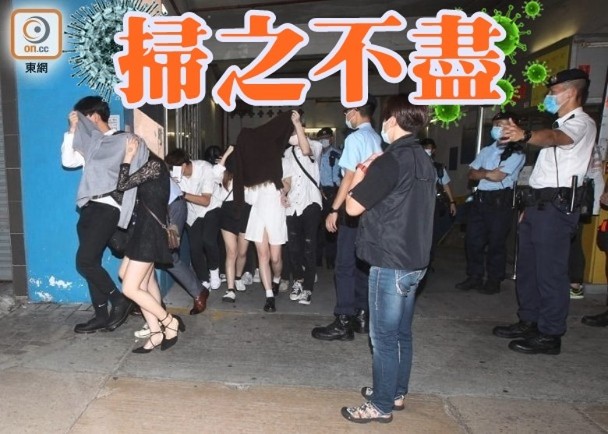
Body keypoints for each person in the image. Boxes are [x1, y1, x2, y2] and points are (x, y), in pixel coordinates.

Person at [341, 94, 435, 423]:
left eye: (385, 118)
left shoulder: (389, 161)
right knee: (401, 333)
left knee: (382, 336)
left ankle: (380, 405)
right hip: (416, 259)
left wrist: (361, 173)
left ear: (392, 120)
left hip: (390, 259)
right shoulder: (423, 158)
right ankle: (395, 392)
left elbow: (352, 207)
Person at [493, 68, 596, 355]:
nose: (549, 96)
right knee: (527, 269)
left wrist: (525, 134)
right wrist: (528, 208)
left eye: (553, 92)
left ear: (571, 92)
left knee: (550, 272)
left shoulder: (581, 123)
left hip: (556, 208)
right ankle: (529, 320)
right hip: (537, 206)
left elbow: (555, 138)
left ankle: (550, 334)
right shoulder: (558, 123)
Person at [61, 96, 138, 334]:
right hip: (88, 208)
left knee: (84, 261)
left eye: (82, 118)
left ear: (94, 116)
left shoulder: (122, 140)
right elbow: (68, 161)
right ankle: (101, 315)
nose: (80, 122)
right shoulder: (91, 143)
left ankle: (119, 299)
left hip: (108, 208)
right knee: (91, 263)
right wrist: (72, 130)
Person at [312, 96, 381, 341]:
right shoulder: (376, 138)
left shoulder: (355, 138)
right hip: (370, 208)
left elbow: (349, 177)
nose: (345, 116)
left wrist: (334, 209)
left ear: (355, 110)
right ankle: (361, 315)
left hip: (352, 207)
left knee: (343, 265)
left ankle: (343, 320)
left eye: (346, 111)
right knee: (362, 263)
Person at [117, 137, 184, 353]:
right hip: (141, 231)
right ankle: (155, 332)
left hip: (150, 232)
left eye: (130, 147)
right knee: (130, 278)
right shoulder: (147, 168)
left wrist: (128, 156)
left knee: (130, 287)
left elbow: (122, 184)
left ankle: (169, 321)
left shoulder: (154, 166)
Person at [455, 111, 526, 294]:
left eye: (501, 125)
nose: (497, 129)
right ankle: (474, 276)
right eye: (495, 125)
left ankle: (494, 280)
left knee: (496, 243)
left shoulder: (516, 152)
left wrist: (483, 173)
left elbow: (498, 176)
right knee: (473, 241)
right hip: (480, 199)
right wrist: (488, 173)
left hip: (500, 201)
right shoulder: (487, 150)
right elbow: (471, 174)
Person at [232, 110, 295, 312]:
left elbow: (288, 184)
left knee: (276, 257)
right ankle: (269, 296)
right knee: (263, 254)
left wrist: (281, 189)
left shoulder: (283, 161)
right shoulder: (254, 166)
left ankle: (276, 279)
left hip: (275, 208)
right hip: (258, 210)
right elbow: (247, 194)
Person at [165, 149, 222, 291]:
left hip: (211, 208)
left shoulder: (204, 168)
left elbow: (206, 201)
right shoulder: (174, 176)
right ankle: (203, 279)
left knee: (208, 239)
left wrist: (182, 194)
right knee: (195, 246)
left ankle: (214, 271)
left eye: (174, 168)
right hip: (192, 213)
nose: (172, 171)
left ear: (184, 165)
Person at [283, 112, 323, 305]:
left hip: (311, 202)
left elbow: (306, 150)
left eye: (294, 131)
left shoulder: (315, 145)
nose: (291, 135)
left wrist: (297, 123)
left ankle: (308, 288)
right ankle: (298, 280)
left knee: (309, 246)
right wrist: (282, 193)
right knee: (293, 247)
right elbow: (287, 180)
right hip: (293, 205)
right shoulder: (287, 153)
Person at [212, 146, 253, 303]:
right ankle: (230, 290)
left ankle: (238, 277)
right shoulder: (224, 175)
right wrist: (227, 153)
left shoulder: (249, 175)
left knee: (242, 252)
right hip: (228, 213)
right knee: (231, 252)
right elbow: (215, 172)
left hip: (245, 212)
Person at [420, 138, 457, 258]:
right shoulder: (415, 165)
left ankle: (429, 259)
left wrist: (452, 202)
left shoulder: (437, 167)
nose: (427, 150)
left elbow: (445, 184)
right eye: (424, 148)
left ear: (434, 150)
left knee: (432, 232)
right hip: (417, 203)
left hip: (432, 203)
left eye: (429, 148)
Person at [316, 127, 341, 270]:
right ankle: (318, 258)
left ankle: (331, 258)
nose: (323, 141)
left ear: (331, 138)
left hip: (331, 192)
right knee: (317, 227)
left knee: (331, 227)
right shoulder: (315, 154)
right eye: (321, 139)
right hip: (317, 192)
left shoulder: (336, 155)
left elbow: (340, 178)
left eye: (326, 138)